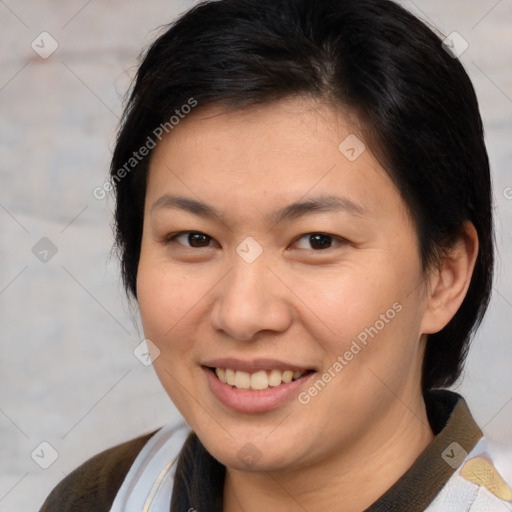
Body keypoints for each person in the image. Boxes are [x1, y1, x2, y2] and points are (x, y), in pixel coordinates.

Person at [39, 0, 512, 510]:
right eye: (195, 238)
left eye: (317, 241)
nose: (242, 314)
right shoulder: (104, 495)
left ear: (444, 274)